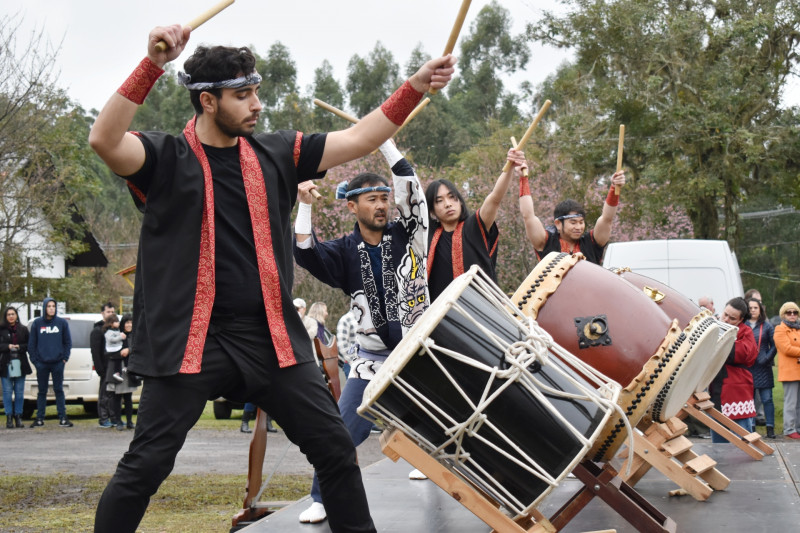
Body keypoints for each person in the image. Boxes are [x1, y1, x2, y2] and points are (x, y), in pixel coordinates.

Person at [87, 22, 454, 533]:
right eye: (242, 95)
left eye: (256, 91)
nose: (257, 104)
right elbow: (104, 139)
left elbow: (361, 137)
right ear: (207, 101)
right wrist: (153, 64)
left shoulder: (279, 152)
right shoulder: (165, 159)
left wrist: (413, 86)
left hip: (271, 336)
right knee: (145, 467)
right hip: (191, 341)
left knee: (335, 450)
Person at [293, 138, 429, 524]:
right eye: (372, 199)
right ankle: (321, 497)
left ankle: (482, 484)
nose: (382, 205)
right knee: (340, 435)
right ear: (352, 206)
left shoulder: (410, 235)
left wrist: (383, 141)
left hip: (421, 354)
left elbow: (412, 192)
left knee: (458, 420)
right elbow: (305, 251)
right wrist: (305, 205)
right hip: (371, 362)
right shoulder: (343, 251)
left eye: (385, 198)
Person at [425, 148, 526, 301]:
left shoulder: (473, 226)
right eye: (439, 201)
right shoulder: (427, 237)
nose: (448, 204)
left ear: (460, 201)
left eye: (452, 197)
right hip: (441, 312)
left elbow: (495, 198)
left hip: (482, 307)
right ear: (432, 210)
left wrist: (510, 167)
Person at [519, 167, 626, 264]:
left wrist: (614, 187)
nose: (579, 227)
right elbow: (528, 216)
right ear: (558, 224)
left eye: (581, 222)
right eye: (573, 222)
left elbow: (607, 218)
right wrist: (523, 178)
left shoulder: (591, 243)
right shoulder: (546, 242)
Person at [708, 297, 758, 442]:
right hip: (717, 389)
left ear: (741, 319)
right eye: (725, 314)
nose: (726, 319)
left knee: (742, 439)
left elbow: (746, 353)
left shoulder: (746, 331)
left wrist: (720, 343)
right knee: (718, 438)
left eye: (732, 318)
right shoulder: (715, 326)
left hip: (737, 391)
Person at [27, 297, 73, 428]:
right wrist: (35, 361)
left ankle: (63, 418)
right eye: (49, 306)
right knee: (42, 391)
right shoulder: (37, 323)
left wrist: (64, 358)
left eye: (53, 306)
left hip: (58, 363)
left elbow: (68, 342)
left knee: (59, 390)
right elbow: (31, 344)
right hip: (42, 363)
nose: (51, 308)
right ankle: (39, 418)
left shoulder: (62, 323)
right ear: (44, 307)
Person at [745, 298, 777, 438]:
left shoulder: (767, 326)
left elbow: (775, 345)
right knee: (749, 400)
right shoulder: (743, 325)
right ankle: (751, 428)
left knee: (767, 399)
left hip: (764, 368)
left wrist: (767, 358)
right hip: (748, 367)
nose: (752, 310)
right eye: (750, 308)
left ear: (760, 310)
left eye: (755, 308)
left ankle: (770, 428)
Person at [0, 306, 31, 428]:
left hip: (20, 363)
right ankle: (9, 417)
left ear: (16, 315)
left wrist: (19, 346)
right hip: (5, 364)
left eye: (13, 314)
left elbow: (29, 345)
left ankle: (18, 416)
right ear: (5, 317)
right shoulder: (1, 329)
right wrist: (7, 346)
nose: (11, 316)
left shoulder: (23, 329)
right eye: (9, 314)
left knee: (19, 392)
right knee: (7, 392)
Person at [774, 301, 800, 439]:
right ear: (783, 315)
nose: (792, 315)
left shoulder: (798, 328)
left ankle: (798, 428)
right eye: (789, 312)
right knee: (791, 402)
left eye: (795, 312)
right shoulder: (780, 329)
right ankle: (789, 429)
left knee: (799, 403)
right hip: (790, 372)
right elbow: (786, 349)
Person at [109, 314, 139, 431]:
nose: (129, 325)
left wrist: (129, 350)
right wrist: (120, 352)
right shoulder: (117, 335)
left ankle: (129, 421)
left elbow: (139, 349)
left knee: (128, 397)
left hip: (130, 369)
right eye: (127, 322)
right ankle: (118, 421)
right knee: (117, 396)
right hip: (118, 368)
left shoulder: (135, 336)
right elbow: (109, 350)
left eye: (131, 322)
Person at [91, 302, 118, 428]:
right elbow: (95, 352)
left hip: (115, 367)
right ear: (102, 313)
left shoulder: (115, 330)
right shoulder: (98, 330)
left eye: (112, 312)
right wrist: (100, 369)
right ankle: (103, 418)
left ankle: (114, 418)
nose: (111, 314)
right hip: (104, 368)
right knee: (104, 394)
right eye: (108, 312)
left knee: (114, 394)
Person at [103, 315, 126, 384]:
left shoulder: (117, 330)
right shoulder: (109, 332)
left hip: (117, 347)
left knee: (123, 355)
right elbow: (111, 339)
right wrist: (120, 337)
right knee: (119, 357)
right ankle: (117, 372)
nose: (118, 323)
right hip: (112, 349)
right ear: (111, 323)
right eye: (116, 322)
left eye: (118, 321)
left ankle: (123, 369)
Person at [336, 308, 358, 378]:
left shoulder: (367, 319)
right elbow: (342, 345)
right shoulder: (346, 320)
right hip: (351, 365)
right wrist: (354, 362)